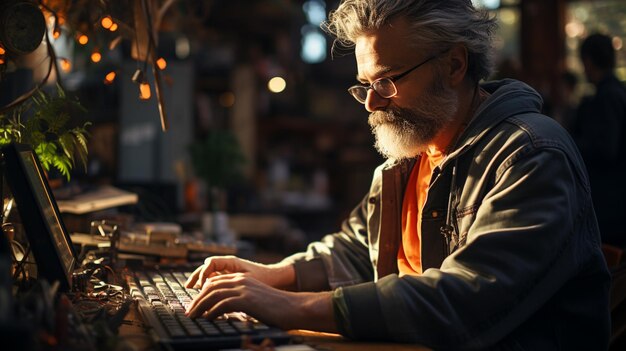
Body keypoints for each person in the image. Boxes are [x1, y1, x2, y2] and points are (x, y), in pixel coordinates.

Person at [185, 1, 611, 349]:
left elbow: (463, 301)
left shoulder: (530, 155)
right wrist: (273, 275)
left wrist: (292, 307)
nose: (371, 103)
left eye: (387, 81)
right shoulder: (412, 152)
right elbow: (356, 249)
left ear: (454, 65)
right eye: (364, 85)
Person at [572, 32, 626, 247]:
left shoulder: (607, 96)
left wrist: (568, 142)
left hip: (610, 202)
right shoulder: (617, 91)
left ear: (588, 61)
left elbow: (605, 148)